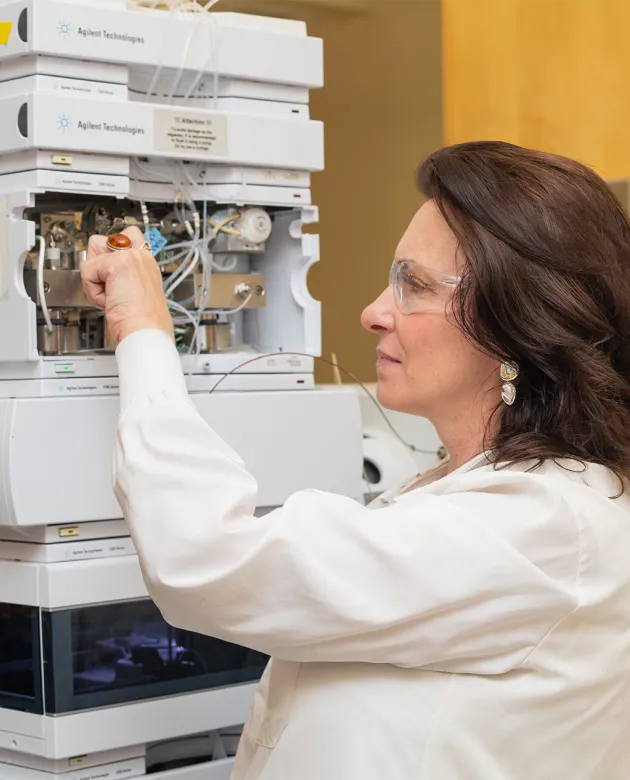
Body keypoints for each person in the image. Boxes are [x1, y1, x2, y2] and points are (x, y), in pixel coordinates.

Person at [82, 141, 630, 780]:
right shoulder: (477, 496)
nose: (373, 314)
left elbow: (207, 554)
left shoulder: (546, 528)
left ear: (518, 320)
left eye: (414, 286)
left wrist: (143, 329)